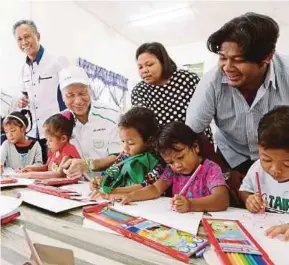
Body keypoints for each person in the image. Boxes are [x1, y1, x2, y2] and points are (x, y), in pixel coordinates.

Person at [185, 13, 289, 203]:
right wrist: (222, 172)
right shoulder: (212, 82)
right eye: (223, 58)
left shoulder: (287, 73)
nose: (227, 68)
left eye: (238, 60)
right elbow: (193, 131)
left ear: (267, 57)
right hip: (229, 158)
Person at [118, 122, 229, 213]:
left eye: (180, 157)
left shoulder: (210, 169)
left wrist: (190, 205)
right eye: (170, 162)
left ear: (195, 147)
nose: (177, 165)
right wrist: (131, 196)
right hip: (180, 223)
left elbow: (222, 199)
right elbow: (155, 189)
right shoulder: (172, 171)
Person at [131, 42, 213, 144]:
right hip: (164, 151)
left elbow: (206, 109)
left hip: (197, 144)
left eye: (149, 64)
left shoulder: (187, 79)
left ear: (163, 62)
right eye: (140, 67)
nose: (144, 70)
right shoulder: (140, 91)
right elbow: (143, 126)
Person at [13, 20, 70, 162]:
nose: (24, 42)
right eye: (19, 39)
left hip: (56, 131)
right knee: (38, 174)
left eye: (27, 37)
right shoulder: (23, 69)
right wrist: (21, 100)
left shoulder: (57, 61)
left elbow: (71, 93)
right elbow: (25, 94)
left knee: (57, 172)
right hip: (34, 133)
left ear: (37, 36)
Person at [59, 66, 122, 177]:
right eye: (70, 95)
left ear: (90, 90)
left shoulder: (112, 115)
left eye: (82, 93)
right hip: (76, 186)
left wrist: (88, 165)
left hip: (110, 185)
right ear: (63, 97)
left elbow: (121, 157)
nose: (78, 101)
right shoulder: (60, 121)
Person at [89, 107, 165, 198]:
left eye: (131, 143)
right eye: (123, 141)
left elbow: (146, 185)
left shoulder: (160, 160)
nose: (125, 148)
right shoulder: (125, 156)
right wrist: (99, 181)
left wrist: (113, 192)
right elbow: (109, 173)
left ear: (149, 141)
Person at [239, 106, 289, 241]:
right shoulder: (257, 169)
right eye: (266, 159)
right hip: (264, 237)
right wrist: (249, 199)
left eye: (287, 164)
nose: (275, 169)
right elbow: (245, 190)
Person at [21, 111, 80, 178]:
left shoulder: (68, 152)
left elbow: (59, 174)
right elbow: (47, 167)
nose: (47, 143)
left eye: (50, 140)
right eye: (47, 139)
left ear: (63, 138)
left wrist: (32, 175)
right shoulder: (53, 151)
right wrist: (32, 169)